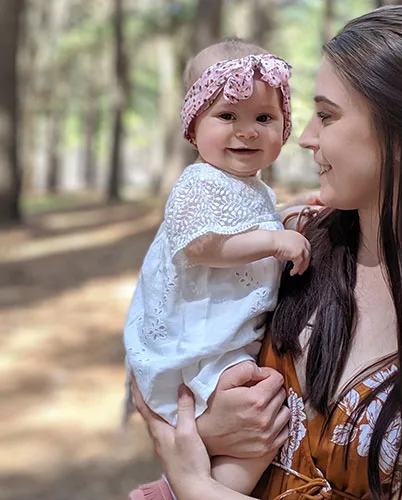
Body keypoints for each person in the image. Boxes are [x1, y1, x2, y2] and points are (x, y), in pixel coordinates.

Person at [131, 6, 402, 500]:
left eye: (326, 115)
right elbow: (162, 330)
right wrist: (206, 428)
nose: (304, 137)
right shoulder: (292, 238)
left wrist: (197, 485)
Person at [124, 39, 312, 499]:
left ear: (283, 128)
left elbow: (245, 221)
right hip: (199, 339)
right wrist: (274, 240)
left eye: (263, 119)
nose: (246, 131)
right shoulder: (198, 182)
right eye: (227, 116)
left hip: (221, 333)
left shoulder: (246, 185)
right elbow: (202, 244)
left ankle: (189, 486)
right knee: (255, 427)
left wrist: (289, 213)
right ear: (193, 127)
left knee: (253, 427)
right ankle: (182, 491)